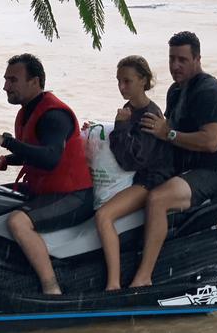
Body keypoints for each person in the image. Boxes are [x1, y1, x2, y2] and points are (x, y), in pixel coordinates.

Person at [0, 53, 94, 295]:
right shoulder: (27, 110)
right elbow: (32, 152)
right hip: (42, 189)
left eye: (13, 80)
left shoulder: (54, 115)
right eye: (6, 79)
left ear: (35, 82)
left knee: (17, 222)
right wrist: (2, 161)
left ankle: (51, 288)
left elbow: (49, 158)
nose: (5, 86)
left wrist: (5, 141)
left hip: (73, 195)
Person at [132, 31, 217, 287]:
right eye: (171, 59)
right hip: (183, 166)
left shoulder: (208, 91)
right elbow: (164, 128)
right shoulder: (175, 91)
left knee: (157, 199)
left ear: (197, 59)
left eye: (182, 59)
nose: (175, 66)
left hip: (212, 172)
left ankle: (143, 277)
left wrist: (168, 133)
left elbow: (211, 142)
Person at [90, 55, 173, 291]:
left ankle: (114, 284)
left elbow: (132, 160)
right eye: (118, 81)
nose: (121, 87)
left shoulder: (150, 115)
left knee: (104, 216)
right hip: (135, 176)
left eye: (127, 81)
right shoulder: (129, 109)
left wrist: (121, 126)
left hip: (151, 180)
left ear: (143, 81)